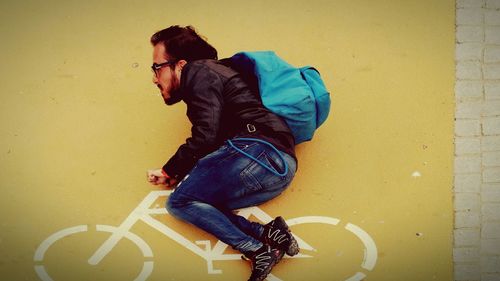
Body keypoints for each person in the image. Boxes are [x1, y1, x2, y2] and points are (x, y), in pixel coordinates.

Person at [146, 25, 299, 281]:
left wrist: (169, 169)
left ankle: (256, 249)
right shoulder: (214, 77)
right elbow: (213, 135)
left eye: (157, 67)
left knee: (179, 201)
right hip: (278, 167)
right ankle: (269, 233)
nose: (153, 78)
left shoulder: (200, 70)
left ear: (181, 64)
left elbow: (206, 134)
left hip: (257, 152)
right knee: (200, 203)